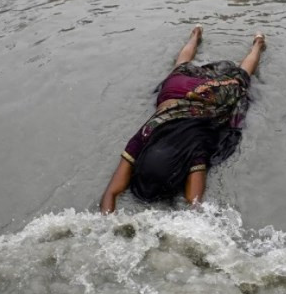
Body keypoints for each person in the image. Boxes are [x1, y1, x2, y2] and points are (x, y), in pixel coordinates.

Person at [100, 25, 266, 214]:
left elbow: (194, 202)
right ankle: (198, 35)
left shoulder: (195, 150)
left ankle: (256, 45)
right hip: (176, 89)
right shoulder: (144, 136)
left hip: (210, 96)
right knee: (181, 65)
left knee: (242, 76)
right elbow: (111, 193)